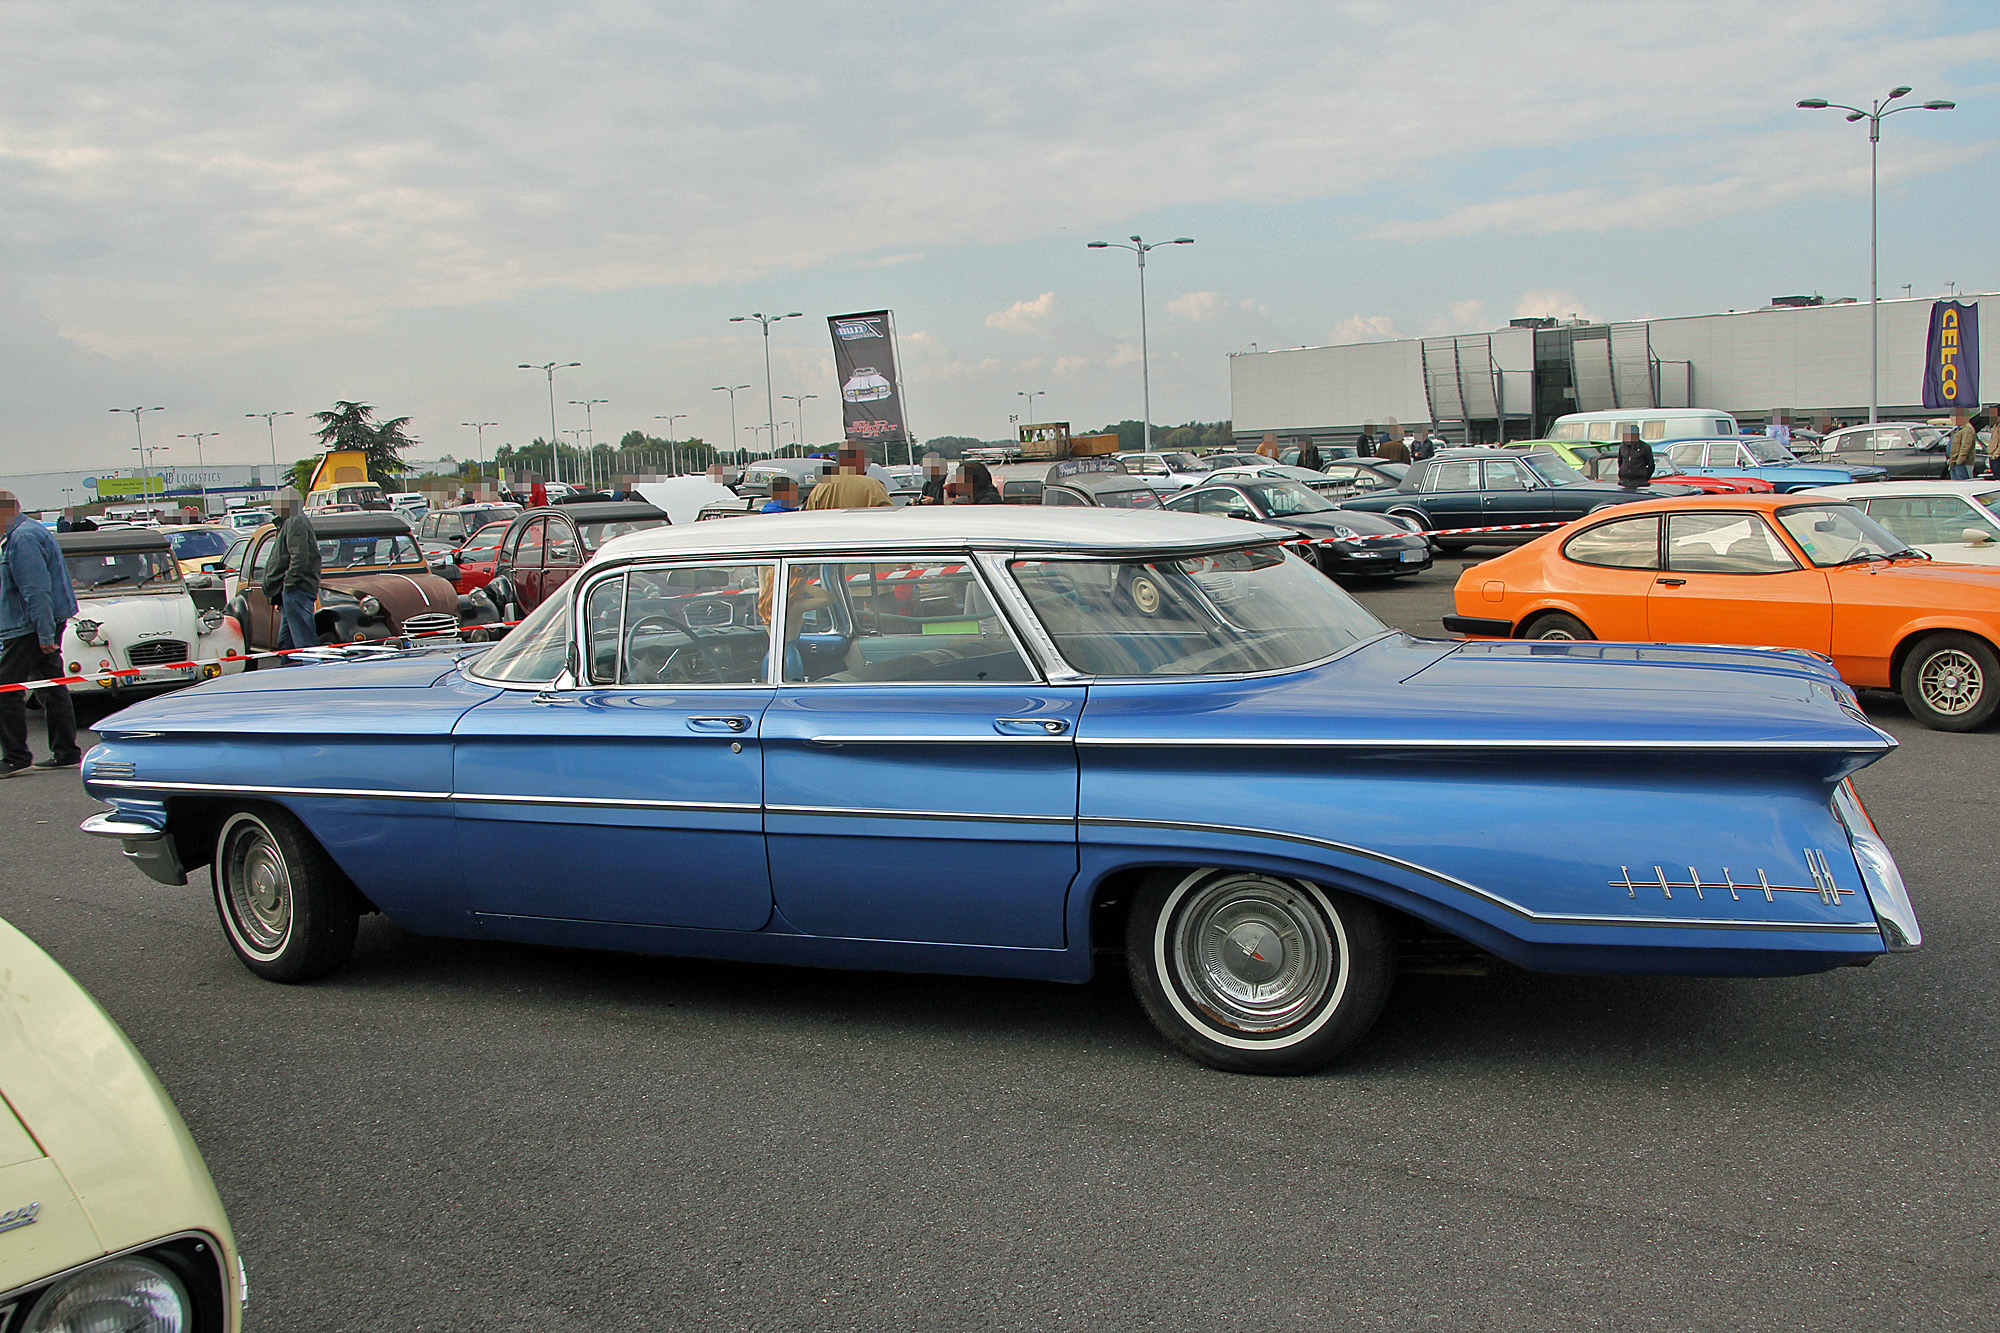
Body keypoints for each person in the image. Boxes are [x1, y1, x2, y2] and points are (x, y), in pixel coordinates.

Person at [0, 489, 82, 776]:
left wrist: (45, 635)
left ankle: (15, 756)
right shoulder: (24, 532)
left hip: (28, 626)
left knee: (5, 689)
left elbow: (36, 591)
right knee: (50, 686)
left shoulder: (22, 539)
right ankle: (66, 751)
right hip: (34, 623)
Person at [261, 487, 321, 655]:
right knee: (287, 642)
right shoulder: (290, 521)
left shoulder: (295, 521)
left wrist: (289, 582)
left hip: (297, 588)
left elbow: (299, 557)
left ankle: (312, 672)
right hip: (291, 589)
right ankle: (290, 671)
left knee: (303, 639)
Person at [804, 444, 893, 509]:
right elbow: (888, 516)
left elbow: (809, 518)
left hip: (829, 534)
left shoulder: (819, 488)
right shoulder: (873, 486)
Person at [1948, 410, 1978, 481]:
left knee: (1963, 482)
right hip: (1954, 461)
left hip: (1963, 463)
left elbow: (1966, 446)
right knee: (1955, 483)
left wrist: (1960, 460)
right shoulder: (1958, 429)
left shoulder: (1967, 429)